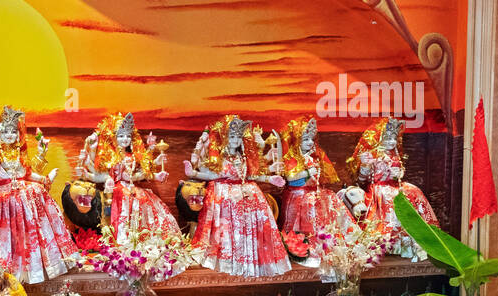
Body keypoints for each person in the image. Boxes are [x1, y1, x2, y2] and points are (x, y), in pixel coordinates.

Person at [0, 106, 79, 285]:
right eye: (5, 131)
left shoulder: (19, 155)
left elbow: (28, 174)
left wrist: (45, 176)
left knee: (30, 222)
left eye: (13, 131)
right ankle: (2, 270)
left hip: (21, 202)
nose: (10, 135)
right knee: (0, 238)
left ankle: (33, 267)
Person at [186, 114, 290, 277]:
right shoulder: (220, 159)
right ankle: (228, 260)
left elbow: (252, 176)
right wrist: (192, 173)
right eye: (232, 136)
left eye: (237, 136)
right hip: (225, 196)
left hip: (246, 194)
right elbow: (212, 176)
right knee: (227, 230)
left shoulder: (244, 158)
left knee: (252, 221)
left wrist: (270, 179)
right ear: (225, 138)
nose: (235, 140)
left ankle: (250, 260)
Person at [78, 111, 183, 244]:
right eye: (121, 136)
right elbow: (101, 176)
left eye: (128, 136)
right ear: (113, 137)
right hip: (117, 191)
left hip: (132, 188)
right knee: (126, 198)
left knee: (144, 199)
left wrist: (156, 175)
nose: (125, 139)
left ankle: (143, 239)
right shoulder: (109, 157)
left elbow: (136, 175)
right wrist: (87, 171)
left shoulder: (132, 157)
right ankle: (123, 240)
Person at [349, 116, 439, 260]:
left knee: (413, 191)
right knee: (392, 200)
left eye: (393, 138)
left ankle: (419, 236)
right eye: (387, 138)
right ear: (379, 139)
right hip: (380, 190)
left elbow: (399, 174)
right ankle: (389, 240)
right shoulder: (373, 156)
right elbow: (361, 179)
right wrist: (365, 165)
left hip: (396, 186)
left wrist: (398, 174)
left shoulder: (395, 155)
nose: (391, 142)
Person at [278, 116, 355, 264]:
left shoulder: (315, 156)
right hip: (299, 195)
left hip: (314, 192)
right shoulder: (292, 157)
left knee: (330, 199)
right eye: (305, 139)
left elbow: (324, 176)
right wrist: (308, 173)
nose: (309, 143)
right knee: (310, 205)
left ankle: (331, 242)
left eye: (311, 139)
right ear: (297, 140)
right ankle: (307, 245)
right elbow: (290, 178)